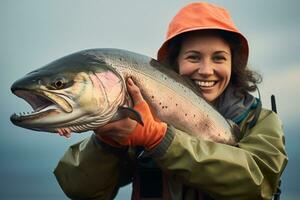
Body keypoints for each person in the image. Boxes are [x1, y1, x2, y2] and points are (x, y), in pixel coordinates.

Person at [54, 2, 288, 200]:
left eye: (219, 58)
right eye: (193, 57)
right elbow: (81, 189)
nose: (206, 70)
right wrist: (106, 141)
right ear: (173, 66)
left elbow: (258, 183)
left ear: (233, 65)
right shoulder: (138, 114)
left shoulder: (261, 121)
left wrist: (159, 138)